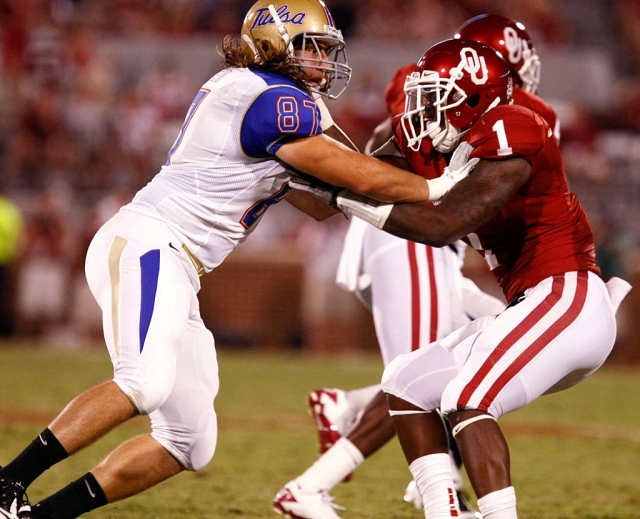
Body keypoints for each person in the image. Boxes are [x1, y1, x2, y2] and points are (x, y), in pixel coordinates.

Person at [0, 2, 466, 519]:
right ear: (274, 44)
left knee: (188, 442)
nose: (324, 59)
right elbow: (354, 173)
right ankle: (5, 485)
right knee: (143, 382)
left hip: (178, 263)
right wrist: (440, 184)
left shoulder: (263, 95)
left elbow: (321, 201)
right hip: (151, 242)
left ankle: (39, 515)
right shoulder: (268, 96)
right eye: (312, 46)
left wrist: (390, 179)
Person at [273, 14, 561, 519]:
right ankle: (310, 488)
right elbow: (396, 158)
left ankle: (353, 413)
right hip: (411, 235)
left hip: (415, 239)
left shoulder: (439, 92)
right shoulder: (469, 100)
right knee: (417, 378)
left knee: (472, 339)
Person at [331, 37, 631, 518]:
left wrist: (343, 199)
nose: (422, 107)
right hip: (533, 303)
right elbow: (367, 167)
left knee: (468, 398)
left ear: (472, 95)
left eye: (434, 96)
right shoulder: (452, 144)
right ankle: (443, 512)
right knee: (405, 382)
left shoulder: (514, 127)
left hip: (567, 295)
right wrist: (314, 167)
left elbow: (444, 224)